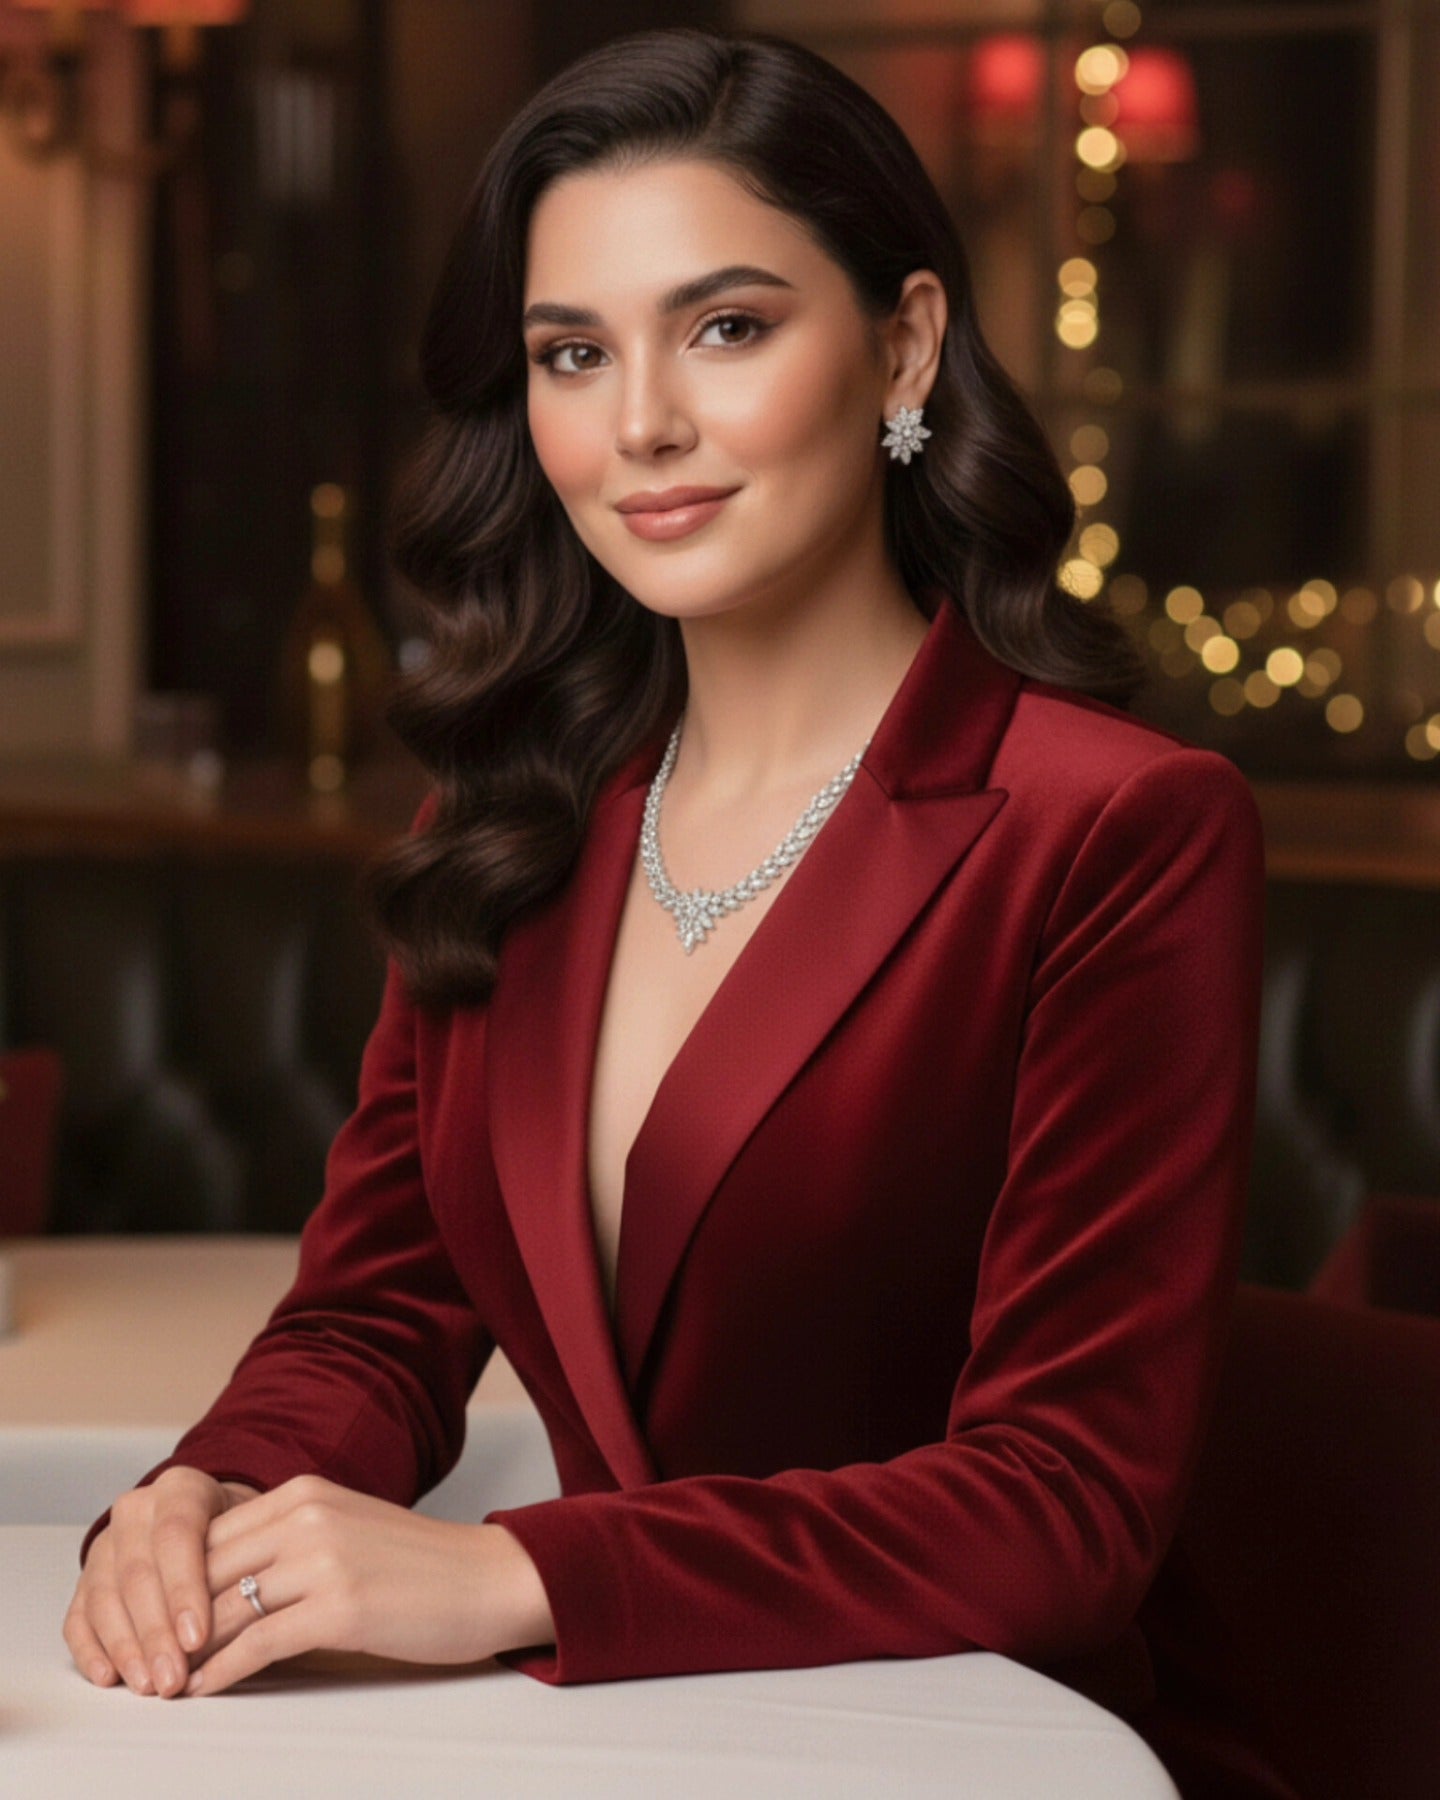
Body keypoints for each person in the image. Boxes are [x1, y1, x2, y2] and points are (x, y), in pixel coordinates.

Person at [63, 27, 1296, 1797]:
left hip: (987, 1744)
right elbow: (371, 1318)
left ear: (906, 342)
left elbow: (1066, 1503)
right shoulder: (513, 819)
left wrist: (512, 1571)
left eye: (726, 326)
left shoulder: (1114, 830)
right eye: (573, 352)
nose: (640, 421)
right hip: (622, 1734)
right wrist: (209, 1492)